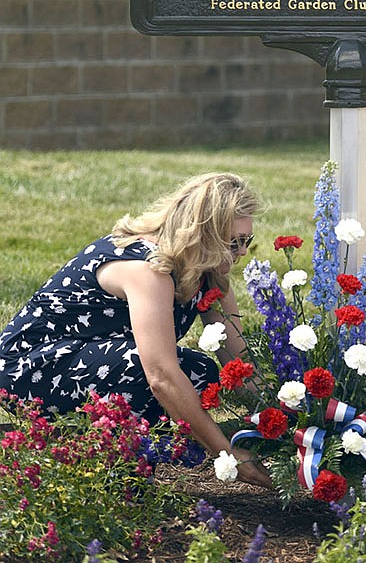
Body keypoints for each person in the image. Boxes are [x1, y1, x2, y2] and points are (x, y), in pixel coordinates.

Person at [0, 171, 271, 488]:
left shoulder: (208, 271)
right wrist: (227, 455)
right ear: (202, 233)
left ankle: (98, 449)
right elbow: (161, 376)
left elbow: (240, 365)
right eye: (233, 242)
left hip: (90, 362)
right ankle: (105, 468)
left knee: (201, 372)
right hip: (30, 369)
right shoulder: (149, 268)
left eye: (246, 241)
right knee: (154, 372)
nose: (241, 253)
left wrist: (291, 420)